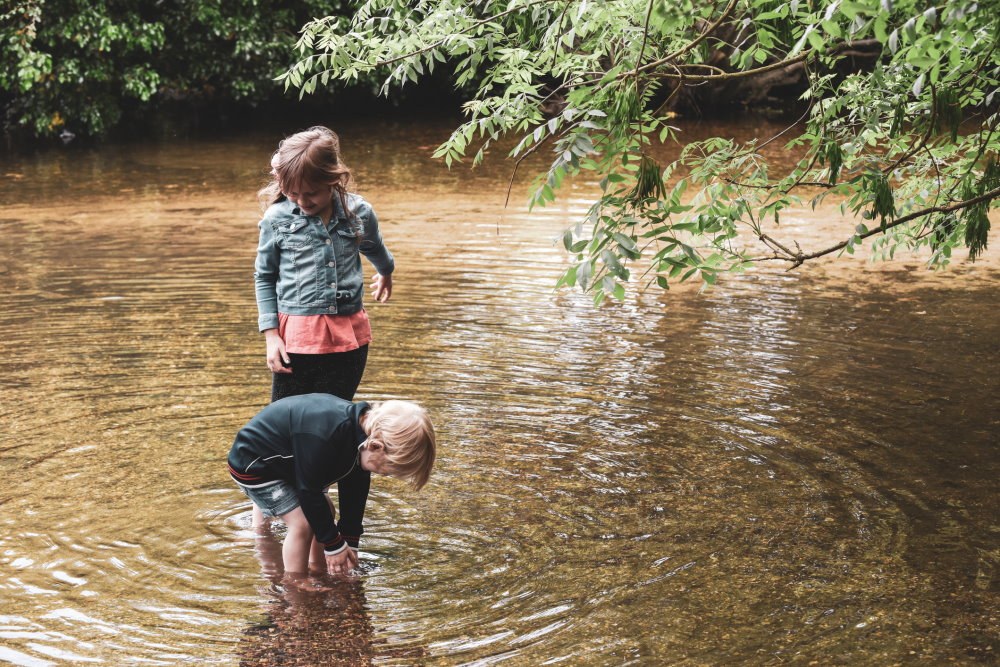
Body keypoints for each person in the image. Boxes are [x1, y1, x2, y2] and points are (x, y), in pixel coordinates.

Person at [228, 393, 436, 584]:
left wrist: (349, 540)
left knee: (326, 512)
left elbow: (355, 491)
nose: (385, 475)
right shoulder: (326, 437)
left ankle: (320, 568)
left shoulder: (360, 436)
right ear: (375, 447)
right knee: (303, 524)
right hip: (255, 464)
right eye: (387, 470)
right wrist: (334, 544)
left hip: (289, 461)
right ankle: (296, 582)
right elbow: (308, 491)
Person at [255, 126, 395, 404]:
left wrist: (386, 271)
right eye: (293, 193)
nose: (303, 201)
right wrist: (272, 337)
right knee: (285, 417)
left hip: (348, 335)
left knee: (336, 414)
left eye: (312, 193)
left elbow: (375, 247)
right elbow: (264, 276)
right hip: (295, 338)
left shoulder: (359, 213)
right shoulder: (277, 219)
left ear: (333, 179)